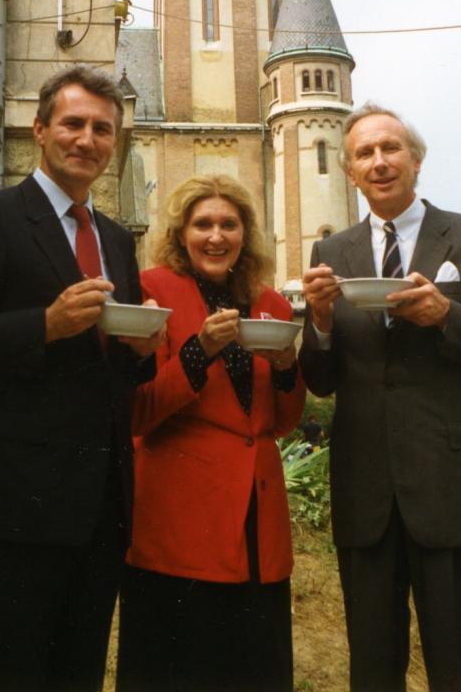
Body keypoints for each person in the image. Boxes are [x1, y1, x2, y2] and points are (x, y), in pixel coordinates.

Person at [0, 65, 162, 692]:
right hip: (15, 503)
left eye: (102, 130)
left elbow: (128, 372)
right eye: (73, 124)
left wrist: (140, 348)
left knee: (78, 672)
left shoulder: (114, 238)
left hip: (101, 504)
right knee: (11, 671)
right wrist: (44, 326)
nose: (87, 140)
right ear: (40, 130)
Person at [299, 101, 461, 692]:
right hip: (366, 495)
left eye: (390, 148)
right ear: (350, 172)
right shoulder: (331, 255)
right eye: (364, 154)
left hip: (450, 490)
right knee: (373, 669)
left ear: (416, 160)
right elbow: (321, 379)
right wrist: (322, 321)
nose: (379, 162)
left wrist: (446, 314)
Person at [116, 174, 306, 692]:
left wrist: (288, 366)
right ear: (181, 234)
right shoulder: (153, 291)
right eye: (203, 224)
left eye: (229, 224)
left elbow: (282, 420)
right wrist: (198, 354)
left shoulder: (273, 304)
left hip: (257, 519)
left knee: (252, 668)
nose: (216, 236)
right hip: (179, 519)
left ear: (246, 234)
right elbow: (139, 410)